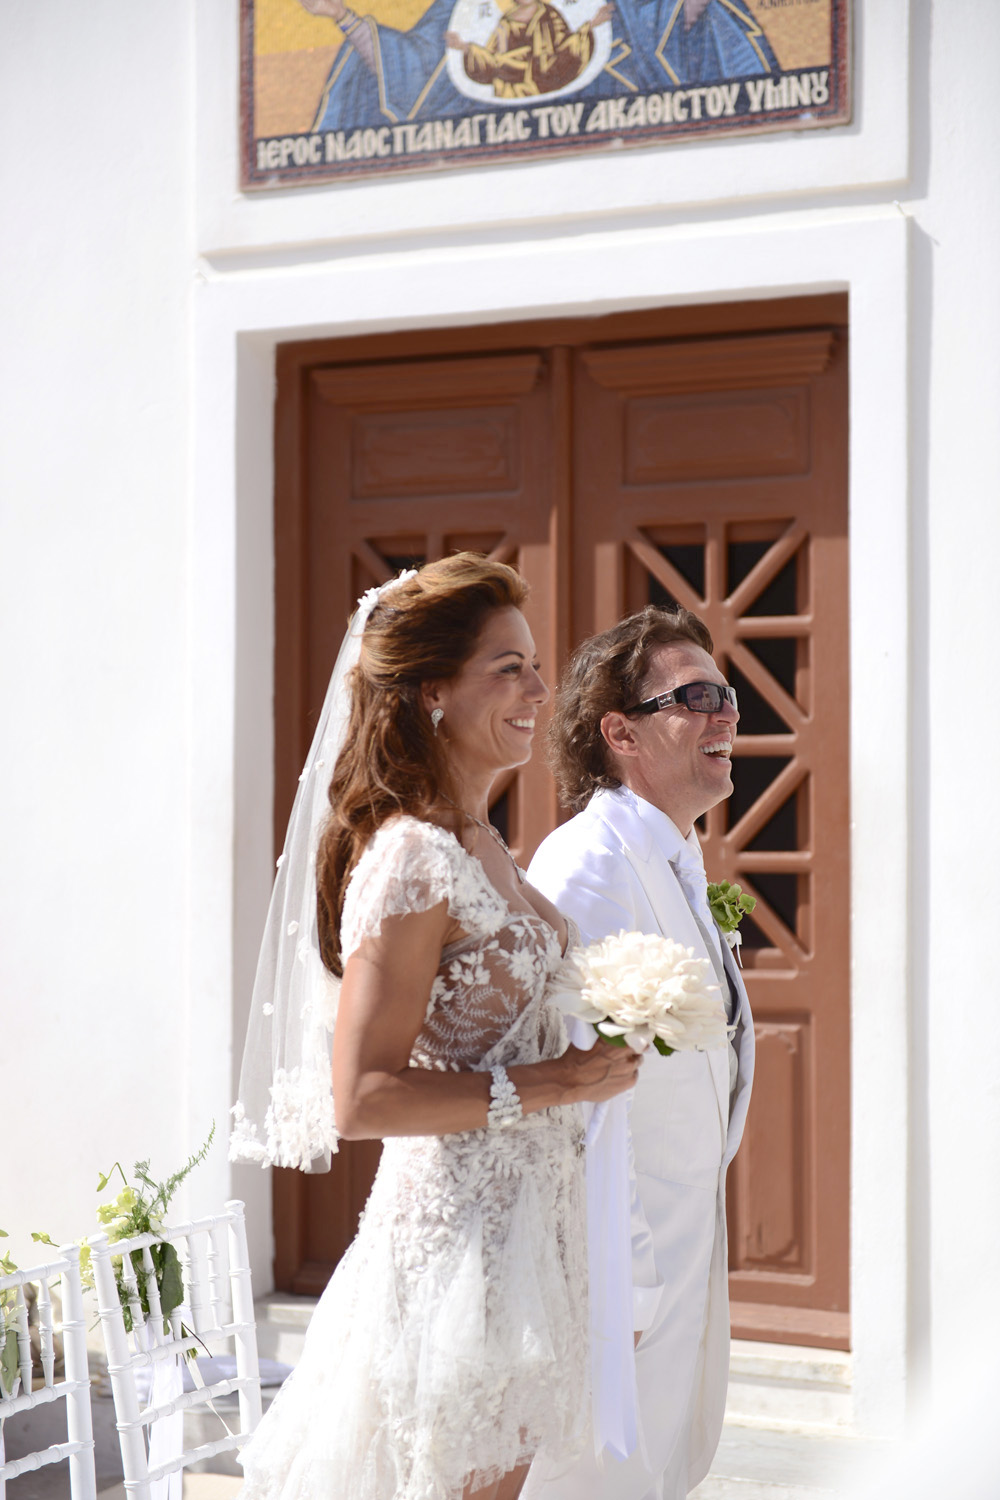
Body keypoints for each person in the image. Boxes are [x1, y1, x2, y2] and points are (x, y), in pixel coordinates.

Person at [230, 554, 640, 1500]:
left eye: (535, 665)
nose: (541, 689)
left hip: (531, 1235)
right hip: (454, 1249)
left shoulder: (483, 839)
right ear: (432, 695)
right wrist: (557, 1085)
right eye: (509, 668)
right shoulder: (413, 857)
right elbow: (362, 1096)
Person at [524, 605, 755, 1500]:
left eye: (726, 694)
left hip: (684, 1233)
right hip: (625, 1274)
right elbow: (580, 1097)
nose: (724, 715)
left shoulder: (675, 855)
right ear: (620, 730)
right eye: (694, 696)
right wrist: (625, 1286)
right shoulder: (591, 867)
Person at [445, 0, 613, 101]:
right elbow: (492, 63)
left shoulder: (549, 15)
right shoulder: (505, 22)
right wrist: (464, 47)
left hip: (544, 79)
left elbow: (565, 50)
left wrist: (591, 25)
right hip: (511, 90)